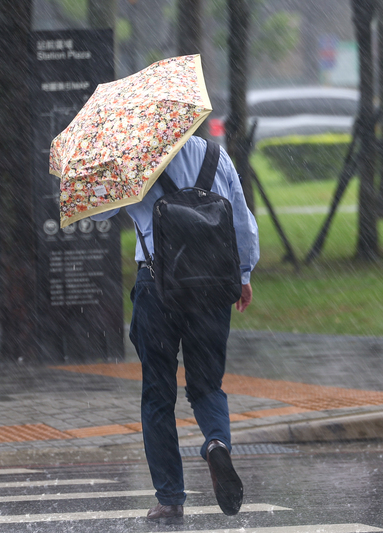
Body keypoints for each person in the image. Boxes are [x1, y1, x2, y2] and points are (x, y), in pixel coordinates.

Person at [91, 134, 259, 522]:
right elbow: (241, 220)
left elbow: (98, 213)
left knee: (157, 393)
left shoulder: (131, 158)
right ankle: (216, 443)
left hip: (157, 287)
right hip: (213, 284)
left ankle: (170, 498)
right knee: (207, 385)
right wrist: (244, 274)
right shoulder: (216, 154)